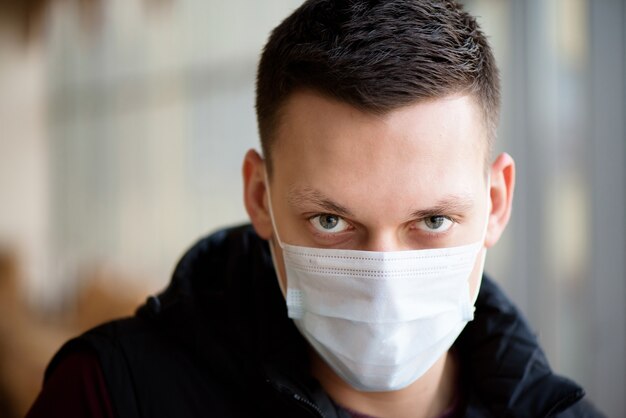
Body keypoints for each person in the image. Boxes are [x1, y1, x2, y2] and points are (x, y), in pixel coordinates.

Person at [27, 1, 605, 417]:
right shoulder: (107, 394)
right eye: (331, 221)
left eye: (432, 221)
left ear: (496, 203)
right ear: (259, 196)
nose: (383, 282)